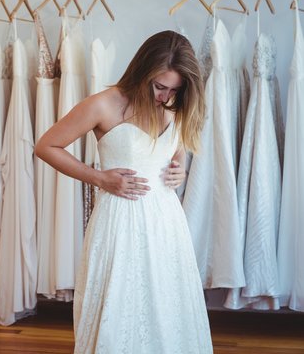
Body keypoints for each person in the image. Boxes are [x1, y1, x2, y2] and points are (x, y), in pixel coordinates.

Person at [35, 31, 213, 353]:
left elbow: (176, 146)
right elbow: (46, 146)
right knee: (119, 304)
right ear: (143, 71)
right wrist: (99, 178)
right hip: (121, 220)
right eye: (160, 86)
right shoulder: (104, 104)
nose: (165, 96)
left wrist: (179, 167)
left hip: (166, 222)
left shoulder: (175, 104)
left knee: (167, 305)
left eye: (174, 89)